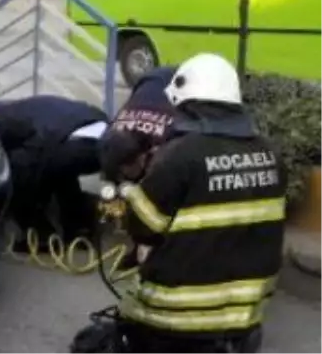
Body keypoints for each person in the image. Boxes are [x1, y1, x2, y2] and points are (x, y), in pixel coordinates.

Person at [83, 53, 285, 354]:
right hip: (245, 319)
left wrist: (118, 202)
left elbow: (142, 229)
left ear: (186, 102)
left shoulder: (179, 155)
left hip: (174, 320)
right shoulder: (270, 154)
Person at [0, 89, 108, 248]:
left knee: (16, 172)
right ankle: (80, 229)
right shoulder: (16, 106)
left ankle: (40, 236)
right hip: (106, 138)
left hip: (69, 143)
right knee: (57, 171)